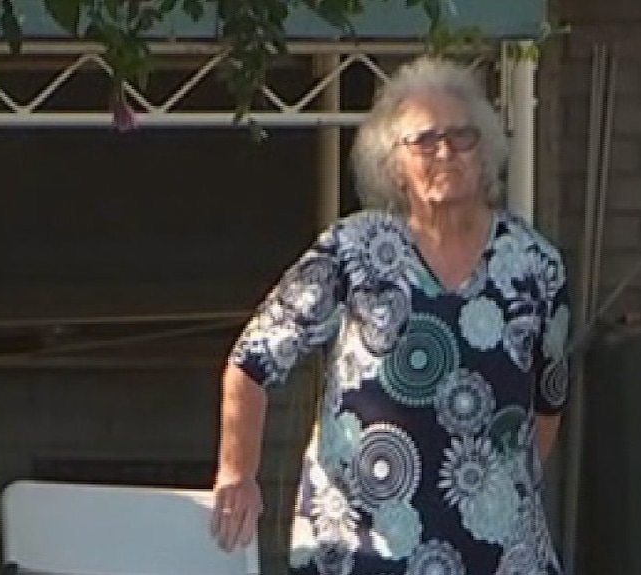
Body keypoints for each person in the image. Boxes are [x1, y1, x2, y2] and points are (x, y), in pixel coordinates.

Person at [210, 55, 572, 575]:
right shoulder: (353, 252)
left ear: (487, 151)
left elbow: (547, 406)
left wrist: (491, 498)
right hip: (361, 551)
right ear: (393, 164)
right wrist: (237, 473)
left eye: (462, 137)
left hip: (499, 554)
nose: (445, 152)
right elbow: (252, 361)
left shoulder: (536, 266)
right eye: (424, 140)